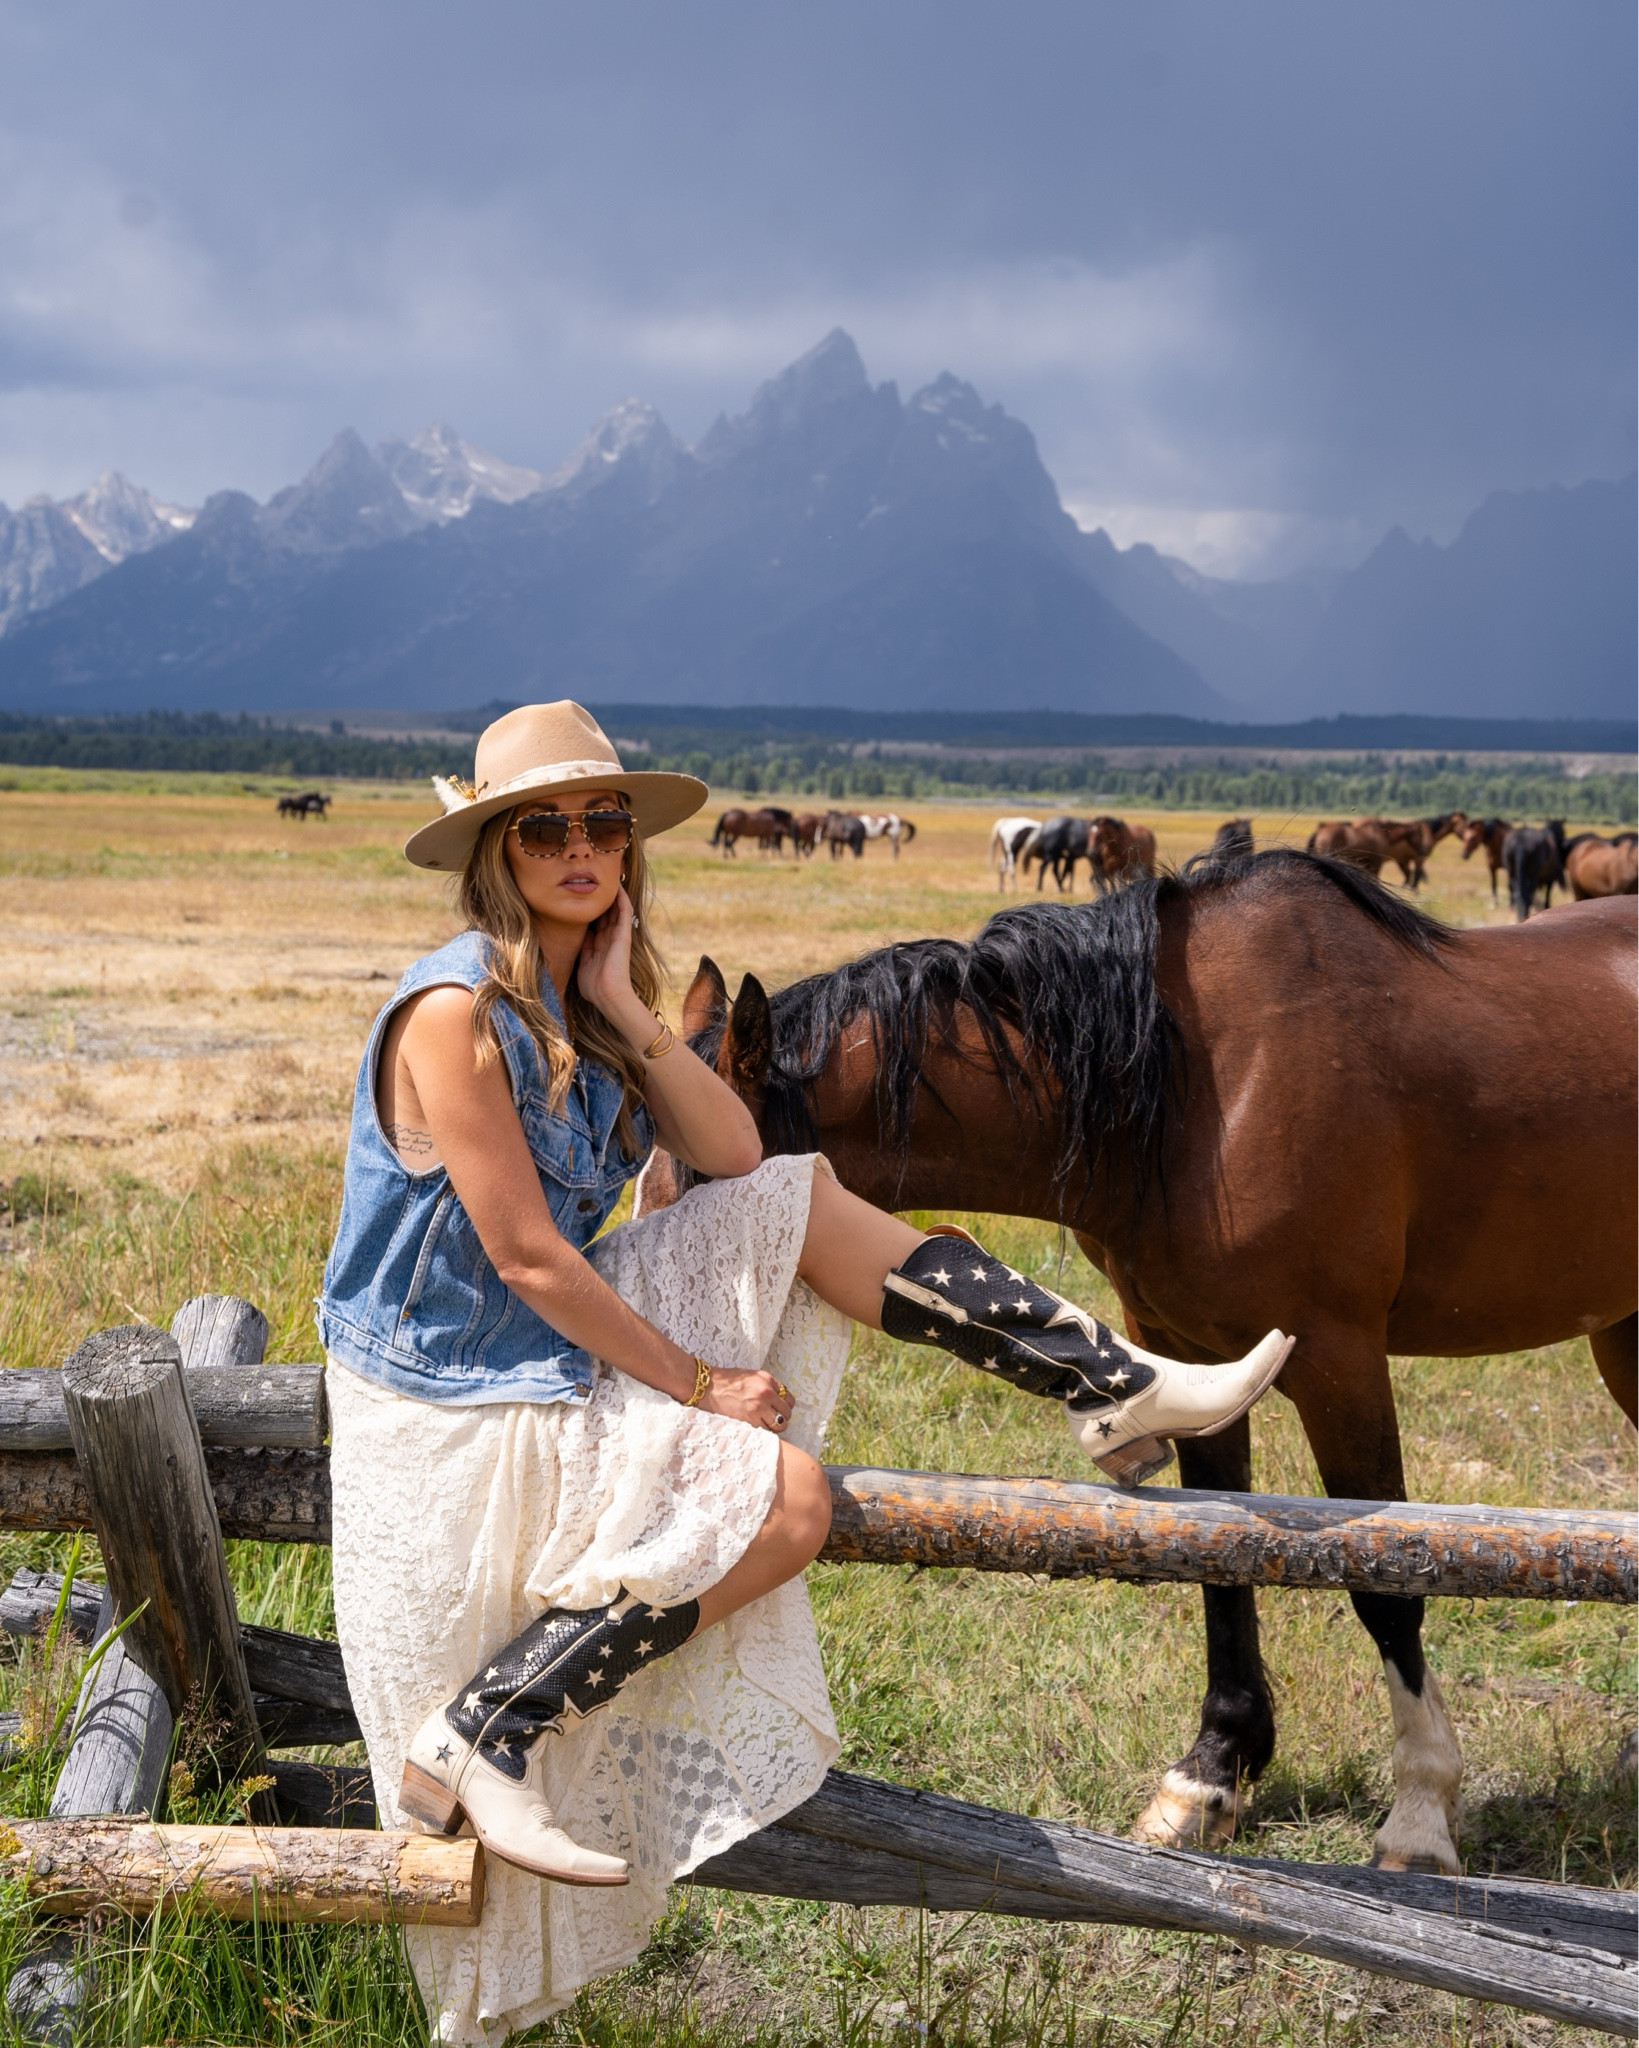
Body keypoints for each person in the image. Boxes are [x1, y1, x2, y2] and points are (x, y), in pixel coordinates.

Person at [317, 701, 1291, 2043]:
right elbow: (534, 1260)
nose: (583, 846)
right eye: (545, 826)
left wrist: (624, 1011)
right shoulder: (453, 1013)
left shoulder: (580, 1006)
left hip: (533, 1360)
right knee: (786, 1497)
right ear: (495, 851)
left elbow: (729, 1152)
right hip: (452, 1405)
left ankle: (1099, 1375)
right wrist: (698, 1382)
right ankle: (489, 1728)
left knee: (794, 1187)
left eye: (605, 822)